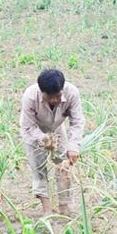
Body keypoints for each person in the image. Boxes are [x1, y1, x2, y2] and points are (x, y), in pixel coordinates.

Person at [20, 69, 85, 216]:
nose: (55, 100)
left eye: (58, 96)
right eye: (50, 97)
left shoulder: (72, 93)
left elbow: (77, 121)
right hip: (33, 131)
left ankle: (64, 206)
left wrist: (73, 146)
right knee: (39, 169)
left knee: (64, 166)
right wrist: (43, 139)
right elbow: (28, 126)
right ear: (41, 91)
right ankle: (47, 210)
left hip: (57, 128)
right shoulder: (30, 96)